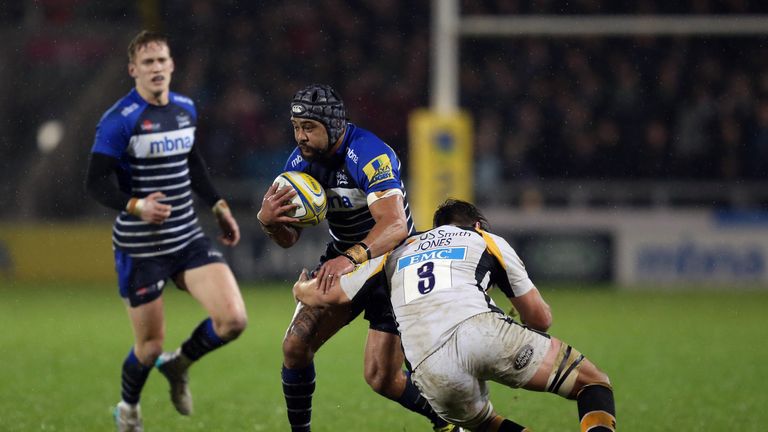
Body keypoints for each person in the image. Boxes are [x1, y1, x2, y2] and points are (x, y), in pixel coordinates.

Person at [293, 199, 617, 432]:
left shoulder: (399, 248)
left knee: (485, 424)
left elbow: (332, 293)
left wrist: (302, 291)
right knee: (592, 383)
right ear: (476, 224)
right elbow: (540, 319)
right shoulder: (484, 238)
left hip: (429, 368)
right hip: (481, 331)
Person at [256, 84, 460, 432]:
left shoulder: (368, 153)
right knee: (295, 347)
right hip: (346, 257)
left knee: (382, 378)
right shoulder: (299, 163)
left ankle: (446, 421)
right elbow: (289, 240)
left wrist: (350, 259)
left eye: (309, 128)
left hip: (393, 262)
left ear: (334, 125)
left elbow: (395, 225)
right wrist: (269, 222)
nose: (300, 136)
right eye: (296, 127)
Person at [85, 30, 247, 432]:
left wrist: (219, 205)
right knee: (148, 347)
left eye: (162, 61)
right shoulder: (119, 121)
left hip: (187, 238)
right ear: (133, 70)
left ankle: (179, 365)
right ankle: (129, 410)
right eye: (148, 63)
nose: (156, 69)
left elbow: (193, 164)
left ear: (172, 66)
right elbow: (95, 182)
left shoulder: (185, 109)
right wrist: (136, 205)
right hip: (140, 248)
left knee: (233, 321)